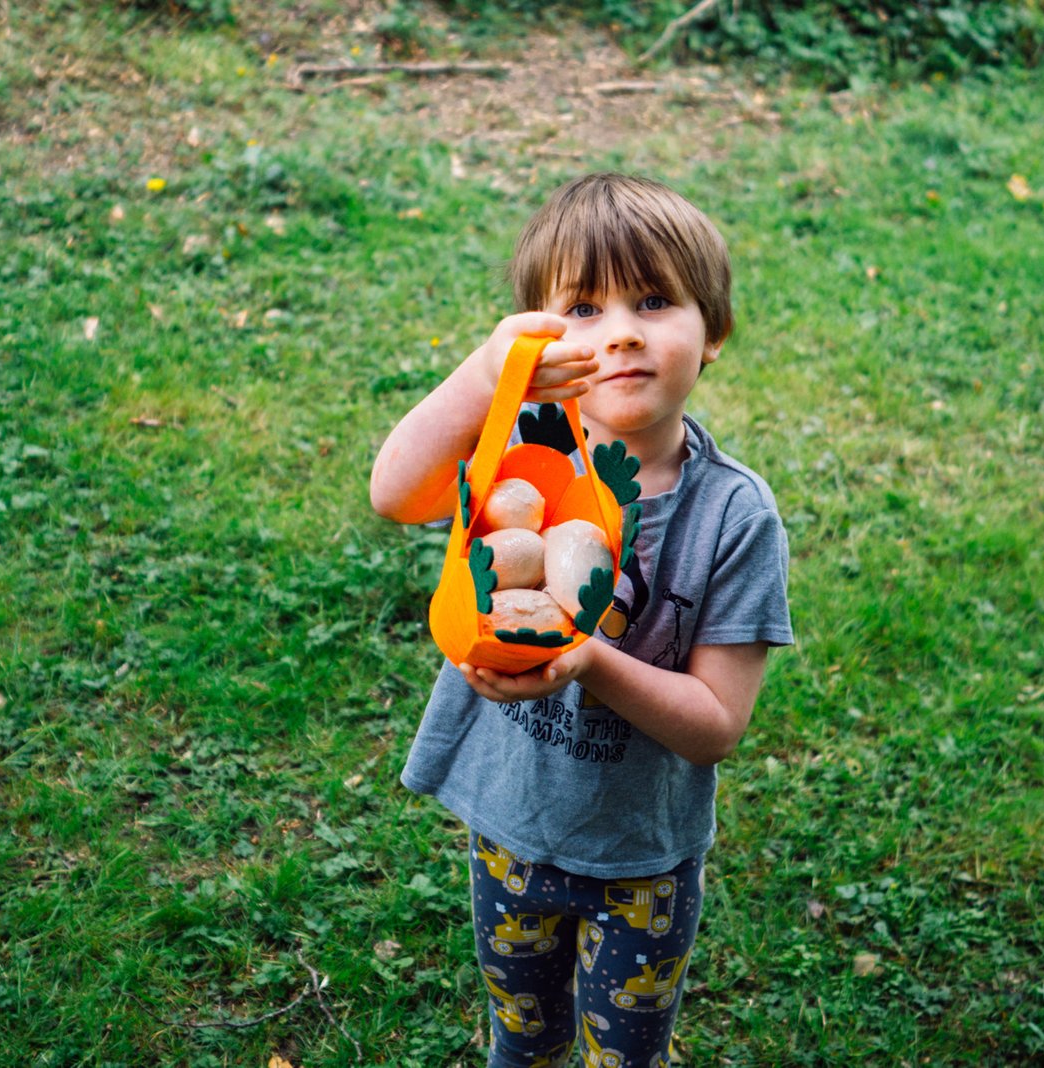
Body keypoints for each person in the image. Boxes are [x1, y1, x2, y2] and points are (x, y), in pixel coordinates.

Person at [370, 172, 792, 1068]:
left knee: (624, 1056)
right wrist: (488, 375)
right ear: (543, 336)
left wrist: (589, 661)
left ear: (713, 332)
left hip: (643, 860)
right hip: (510, 827)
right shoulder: (520, 443)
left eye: (653, 300)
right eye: (585, 308)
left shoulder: (736, 516)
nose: (623, 330)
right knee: (520, 1039)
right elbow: (394, 491)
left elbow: (716, 727)